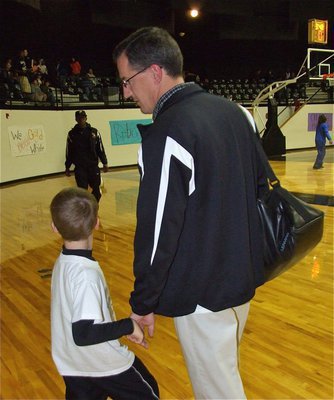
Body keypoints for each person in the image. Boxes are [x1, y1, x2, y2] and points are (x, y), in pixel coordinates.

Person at [113, 27, 268, 399]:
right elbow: (263, 188)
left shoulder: (168, 133)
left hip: (203, 293)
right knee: (224, 373)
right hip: (242, 281)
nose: (126, 92)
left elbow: (157, 229)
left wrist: (143, 301)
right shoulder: (237, 113)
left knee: (217, 391)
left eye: (127, 81)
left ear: (154, 72)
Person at [50, 187, 159, 400]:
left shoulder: (63, 262)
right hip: (105, 364)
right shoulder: (85, 275)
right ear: (97, 223)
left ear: (55, 228)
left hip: (74, 365)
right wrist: (128, 326)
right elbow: (83, 333)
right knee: (149, 391)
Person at [65, 110, 108, 202]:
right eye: (79, 118)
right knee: (82, 192)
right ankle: (86, 210)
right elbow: (69, 151)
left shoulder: (94, 132)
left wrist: (105, 162)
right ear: (76, 119)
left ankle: (94, 207)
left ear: (86, 118)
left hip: (93, 166)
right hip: (80, 168)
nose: (81, 119)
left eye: (83, 117)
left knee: (96, 190)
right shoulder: (72, 134)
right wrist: (67, 166)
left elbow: (100, 148)